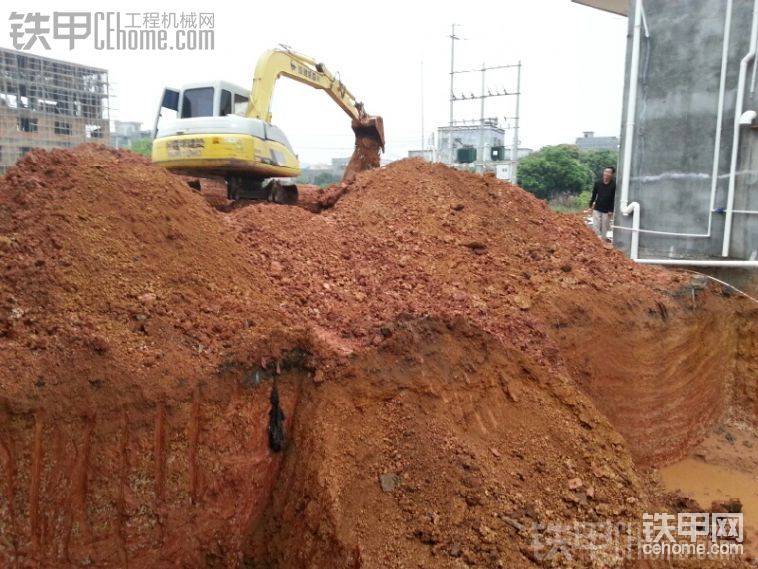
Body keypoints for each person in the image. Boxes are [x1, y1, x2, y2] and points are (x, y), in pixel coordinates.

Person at [589, 167, 616, 241]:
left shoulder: (614, 185)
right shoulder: (598, 183)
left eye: (608, 172)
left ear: (612, 174)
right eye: (605, 172)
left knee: (605, 227)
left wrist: (611, 210)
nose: (606, 174)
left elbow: (614, 198)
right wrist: (590, 205)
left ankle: (603, 241)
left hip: (607, 210)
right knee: (595, 226)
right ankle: (596, 241)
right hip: (597, 208)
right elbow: (594, 195)